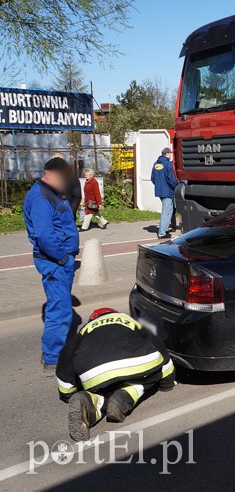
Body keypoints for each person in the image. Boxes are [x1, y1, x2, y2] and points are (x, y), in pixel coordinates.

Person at [56, 308, 177, 441]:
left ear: (93, 319)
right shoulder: (129, 320)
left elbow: (65, 359)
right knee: (149, 377)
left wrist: (67, 393)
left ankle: (89, 402)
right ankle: (123, 398)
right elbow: (159, 346)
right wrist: (167, 382)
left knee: (105, 389)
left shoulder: (85, 329)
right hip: (136, 363)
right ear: (116, 313)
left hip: (96, 372)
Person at [23, 157, 80, 372]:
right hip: (54, 261)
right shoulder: (40, 197)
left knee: (61, 307)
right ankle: (53, 358)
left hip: (59, 260)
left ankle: (58, 350)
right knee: (60, 310)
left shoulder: (52, 193)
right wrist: (64, 259)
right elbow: (45, 235)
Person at [152, 147, 179, 239]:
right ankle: (162, 233)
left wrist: (159, 185)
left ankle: (165, 230)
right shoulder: (168, 164)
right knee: (166, 211)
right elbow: (171, 179)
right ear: (167, 154)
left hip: (160, 191)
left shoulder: (156, 164)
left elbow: (153, 178)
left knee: (169, 210)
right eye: (170, 153)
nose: (171, 155)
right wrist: (177, 186)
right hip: (168, 191)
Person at [51, 152, 82, 219]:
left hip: (67, 216)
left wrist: (69, 212)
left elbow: (77, 197)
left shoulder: (71, 176)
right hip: (51, 216)